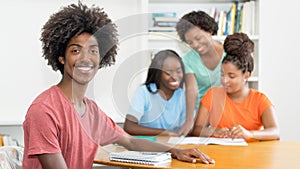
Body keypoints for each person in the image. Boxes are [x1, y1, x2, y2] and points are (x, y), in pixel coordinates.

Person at [22, 2, 215, 169]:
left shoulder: (91, 111)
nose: (86, 58)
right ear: (61, 58)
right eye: (75, 50)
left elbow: (130, 141)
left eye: (93, 50)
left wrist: (175, 151)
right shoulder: (44, 111)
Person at [192, 32, 280, 141]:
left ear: (246, 76)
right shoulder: (212, 95)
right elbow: (196, 130)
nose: (224, 80)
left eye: (231, 76)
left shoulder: (260, 100)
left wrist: (250, 134)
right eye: (222, 74)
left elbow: (275, 132)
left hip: (251, 155)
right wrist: (214, 131)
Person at [175, 10, 225, 135]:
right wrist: (189, 120)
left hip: (225, 108)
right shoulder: (188, 60)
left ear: (209, 31)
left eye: (198, 38)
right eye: (190, 42)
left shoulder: (229, 50)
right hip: (200, 111)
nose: (196, 45)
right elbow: (192, 90)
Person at [124, 49, 186, 136]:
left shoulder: (183, 95)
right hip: (147, 145)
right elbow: (129, 127)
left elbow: (187, 127)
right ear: (158, 73)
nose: (175, 76)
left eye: (179, 71)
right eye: (168, 73)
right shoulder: (144, 92)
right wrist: (164, 133)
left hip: (173, 145)